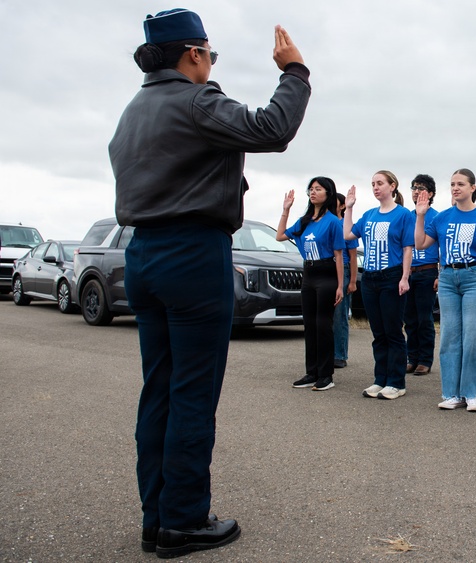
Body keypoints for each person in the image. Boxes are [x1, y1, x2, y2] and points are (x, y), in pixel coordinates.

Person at [109, 9, 310, 557]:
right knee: (193, 393)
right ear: (194, 53)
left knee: (160, 390)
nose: (210, 64)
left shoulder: (134, 110)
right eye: (210, 55)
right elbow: (273, 128)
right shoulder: (195, 101)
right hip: (192, 254)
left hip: (143, 253)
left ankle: (156, 518)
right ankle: (184, 521)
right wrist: (295, 73)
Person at [415, 169, 476, 412]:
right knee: (450, 337)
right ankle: (452, 393)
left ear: (472, 188)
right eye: (452, 184)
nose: (455, 188)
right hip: (448, 279)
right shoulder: (441, 218)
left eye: (461, 184)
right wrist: (421, 217)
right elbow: (421, 244)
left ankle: (471, 392)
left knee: (474, 336)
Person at [344, 171, 414, 400]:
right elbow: (347, 234)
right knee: (378, 333)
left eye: (380, 183)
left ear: (392, 186)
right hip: (370, 279)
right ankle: (380, 379)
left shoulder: (403, 215)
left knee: (393, 331)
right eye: (373, 184)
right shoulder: (369, 215)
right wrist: (349, 208)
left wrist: (404, 277)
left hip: (392, 277)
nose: (375, 187)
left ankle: (396, 382)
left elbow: (407, 248)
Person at [277, 177, 345, 391]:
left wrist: (341, 285)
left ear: (328, 193)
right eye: (311, 189)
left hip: (327, 274)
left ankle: (326, 375)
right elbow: (280, 236)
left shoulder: (333, 221)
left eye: (318, 189)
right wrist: (286, 210)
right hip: (309, 274)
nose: (313, 192)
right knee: (310, 324)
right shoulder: (305, 220)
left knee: (323, 324)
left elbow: (339, 254)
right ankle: (311, 371)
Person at [404, 174, 439, 377]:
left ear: (431, 193)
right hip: (408, 273)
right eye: (414, 187)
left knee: (424, 318)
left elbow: (444, 247)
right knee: (409, 318)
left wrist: (439, 275)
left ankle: (425, 360)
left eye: (422, 188)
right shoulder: (407, 216)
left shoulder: (437, 216)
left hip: (427, 272)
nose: (417, 191)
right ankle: (412, 357)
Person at [333, 192, 358, 369]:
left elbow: (353, 256)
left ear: (342, 206)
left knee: (340, 315)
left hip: (345, 270)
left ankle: (340, 354)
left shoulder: (346, 226)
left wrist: (353, 281)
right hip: (327, 270)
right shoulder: (325, 222)